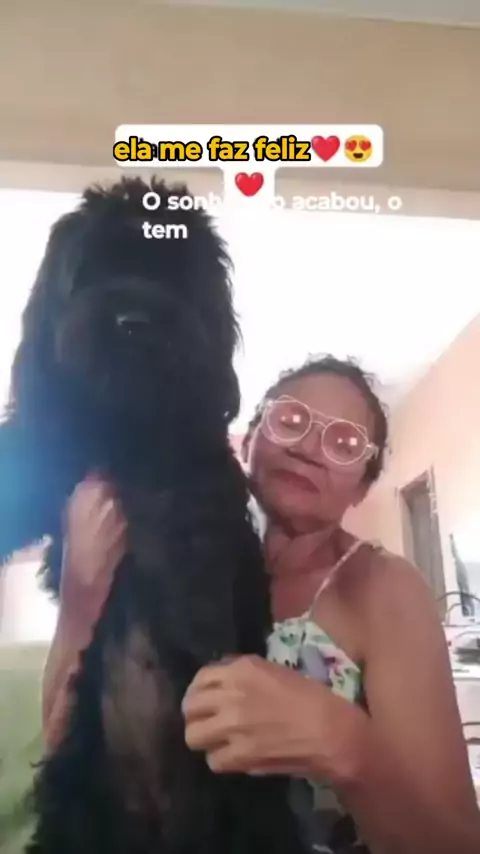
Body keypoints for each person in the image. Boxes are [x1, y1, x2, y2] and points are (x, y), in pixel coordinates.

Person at [43, 355, 480, 854]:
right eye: (291, 420)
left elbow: (458, 844)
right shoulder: (177, 567)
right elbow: (60, 749)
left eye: (344, 444)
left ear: (361, 487)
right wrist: (79, 597)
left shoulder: (384, 589)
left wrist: (349, 747)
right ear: (249, 442)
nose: (309, 450)